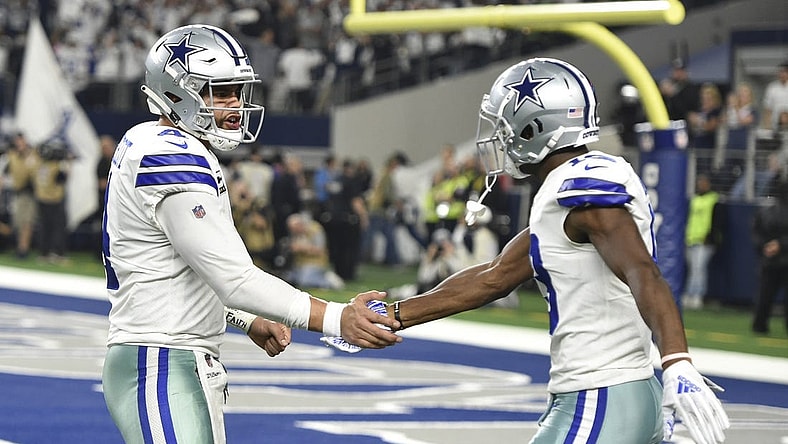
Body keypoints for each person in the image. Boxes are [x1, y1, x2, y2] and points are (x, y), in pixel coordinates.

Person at [373, 58, 729, 443]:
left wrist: (676, 359)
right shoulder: (570, 186)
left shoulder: (582, 189)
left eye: (506, 125)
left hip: (600, 395)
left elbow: (642, 270)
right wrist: (390, 315)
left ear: (534, 126)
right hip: (623, 390)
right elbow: (494, 276)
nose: (500, 137)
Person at [99, 24, 400, 444]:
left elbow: (185, 268)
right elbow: (234, 277)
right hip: (162, 358)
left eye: (238, 92)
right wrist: (337, 318)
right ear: (174, 92)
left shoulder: (152, 143)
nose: (235, 106)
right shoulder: (169, 153)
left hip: (168, 356)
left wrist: (244, 316)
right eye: (219, 92)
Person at [751, 179, 788, 334]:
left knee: (765, 295)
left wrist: (766, 246)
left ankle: (759, 325)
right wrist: (779, 245)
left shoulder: (765, 211)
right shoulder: (767, 211)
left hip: (769, 260)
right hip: (782, 260)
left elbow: (755, 232)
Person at [682, 174, 723, 310]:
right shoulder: (694, 199)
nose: (701, 185)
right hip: (691, 239)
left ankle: (697, 295)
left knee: (699, 269)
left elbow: (717, 221)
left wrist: (711, 238)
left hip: (705, 241)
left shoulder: (713, 199)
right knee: (693, 269)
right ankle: (689, 294)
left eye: (703, 182)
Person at [761, 61, 788, 133]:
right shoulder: (772, 87)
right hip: (775, 127)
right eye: (780, 72)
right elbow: (768, 109)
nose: (782, 74)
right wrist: (767, 127)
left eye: (785, 72)